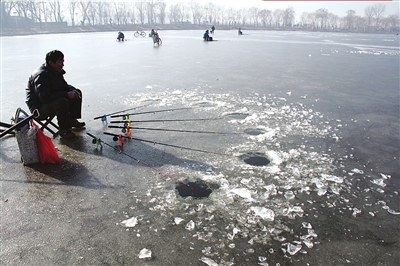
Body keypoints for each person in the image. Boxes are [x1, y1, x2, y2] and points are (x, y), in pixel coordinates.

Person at [26, 50, 85, 139]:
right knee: (62, 101)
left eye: (63, 61)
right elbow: (45, 97)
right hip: (39, 108)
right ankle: (64, 130)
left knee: (76, 92)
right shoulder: (41, 75)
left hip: (48, 101)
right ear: (51, 63)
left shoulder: (55, 71)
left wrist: (72, 90)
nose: (63, 64)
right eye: (60, 62)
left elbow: (64, 86)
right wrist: (66, 94)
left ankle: (71, 120)